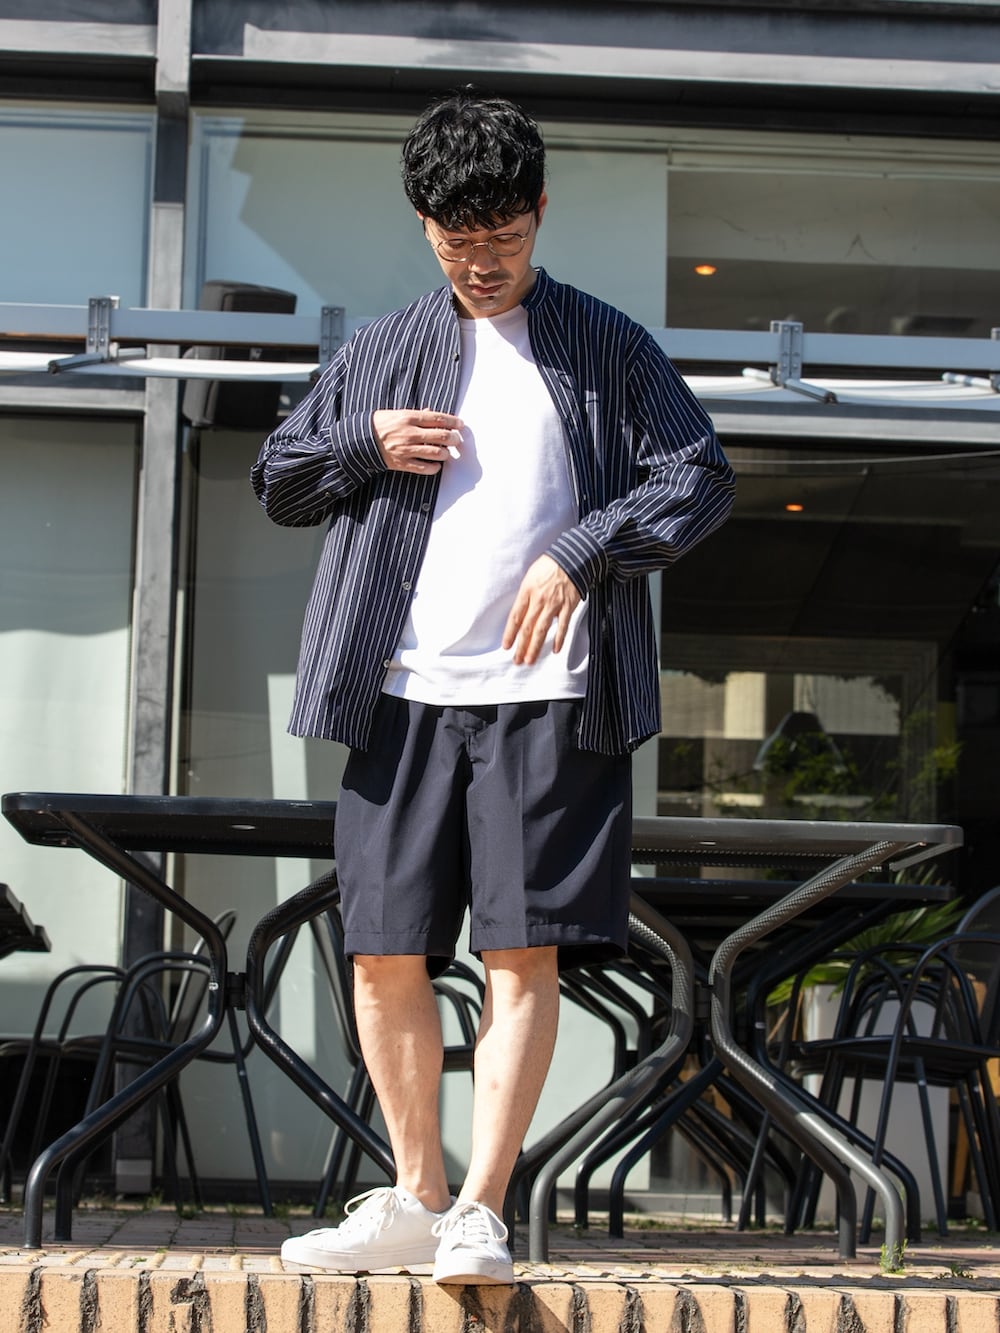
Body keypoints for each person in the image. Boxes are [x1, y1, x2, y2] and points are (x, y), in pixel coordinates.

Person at [252, 89, 734, 1286]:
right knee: (382, 950)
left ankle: (479, 1209)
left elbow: (699, 475)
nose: (482, 261)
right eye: (458, 240)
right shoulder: (383, 348)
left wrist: (586, 549)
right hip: (400, 691)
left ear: (540, 212)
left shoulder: (605, 344)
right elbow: (279, 476)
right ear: (425, 227)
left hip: (552, 695)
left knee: (523, 951)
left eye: (504, 237)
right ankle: (416, 1193)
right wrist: (365, 443)